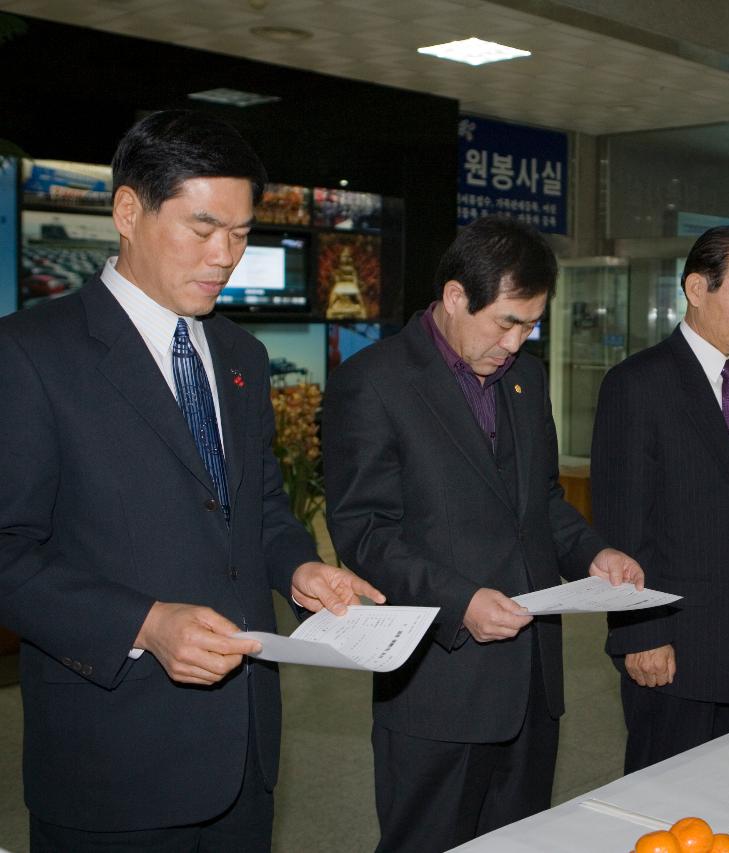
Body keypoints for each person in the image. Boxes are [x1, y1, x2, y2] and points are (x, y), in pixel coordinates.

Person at [0, 110, 384, 852]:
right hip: (112, 758)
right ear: (127, 210)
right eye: (203, 228)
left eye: (241, 234)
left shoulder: (240, 353)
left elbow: (261, 503)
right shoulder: (30, 354)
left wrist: (299, 565)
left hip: (243, 748)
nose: (224, 256)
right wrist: (144, 622)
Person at [323, 216, 643, 853]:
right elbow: (366, 534)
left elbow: (540, 502)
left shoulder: (524, 381)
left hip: (531, 680)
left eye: (531, 324)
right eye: (506, 322)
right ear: (453, 298)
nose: (518, 341)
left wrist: (593, 552)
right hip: (439, 685)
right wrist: (460, 601)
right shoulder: (374, 383)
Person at [591, 225, 729, 773]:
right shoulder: (638, 384)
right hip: (677, 647)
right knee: (669, 800)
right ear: (697, 288)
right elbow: (622, 523)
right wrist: (641, 634)